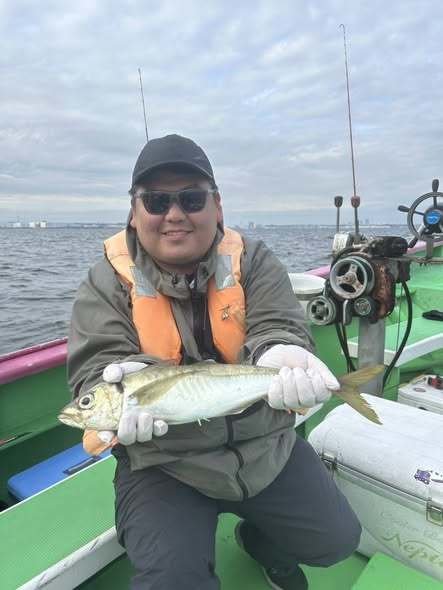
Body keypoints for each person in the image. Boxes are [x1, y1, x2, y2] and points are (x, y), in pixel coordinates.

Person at [67, 134, 361, 590]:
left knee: (337, 541)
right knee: (171, 581)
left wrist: (279, 350)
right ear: (134, 212)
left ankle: (261, 542)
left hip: (263, 446)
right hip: (165, 464)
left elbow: (278, 324)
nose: (174, 214)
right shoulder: (105, 280)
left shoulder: (253, 261)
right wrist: (120, 377)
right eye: (156, 201)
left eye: (191, 198)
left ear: (217, 206)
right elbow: (97, 363)